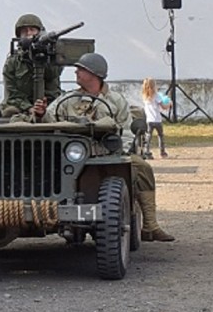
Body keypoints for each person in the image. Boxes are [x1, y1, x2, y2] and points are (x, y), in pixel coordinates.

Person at [37, 53, 174, 242]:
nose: (76, 72)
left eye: (81, 69)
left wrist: (120, 154)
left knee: (142, 167)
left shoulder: (116, 101)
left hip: (108, 154)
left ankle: (150, 225)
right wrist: (42, 114)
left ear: (94, 74)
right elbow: (51, 120)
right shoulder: (68, 99)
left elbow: (126, 131)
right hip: (70, 156)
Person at [0, 14, 62, 117]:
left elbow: (53, 74)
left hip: (49, 104)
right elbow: (12, 93)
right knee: (10, 111)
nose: (28, 33)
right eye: (24, 31)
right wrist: (28, 108)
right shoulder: (13, 62)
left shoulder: (52, 57)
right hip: (21, 106)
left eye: (32, 29)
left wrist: (42, 54)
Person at [141, 78, 169, 159]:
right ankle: (162, 152)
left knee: (148, 136)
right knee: (160, 136)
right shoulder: (156, 96)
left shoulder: (144, 96)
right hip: (157, 119)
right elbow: (163, 106)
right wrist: (168, 104)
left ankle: (147, 152)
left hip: (149, 120)